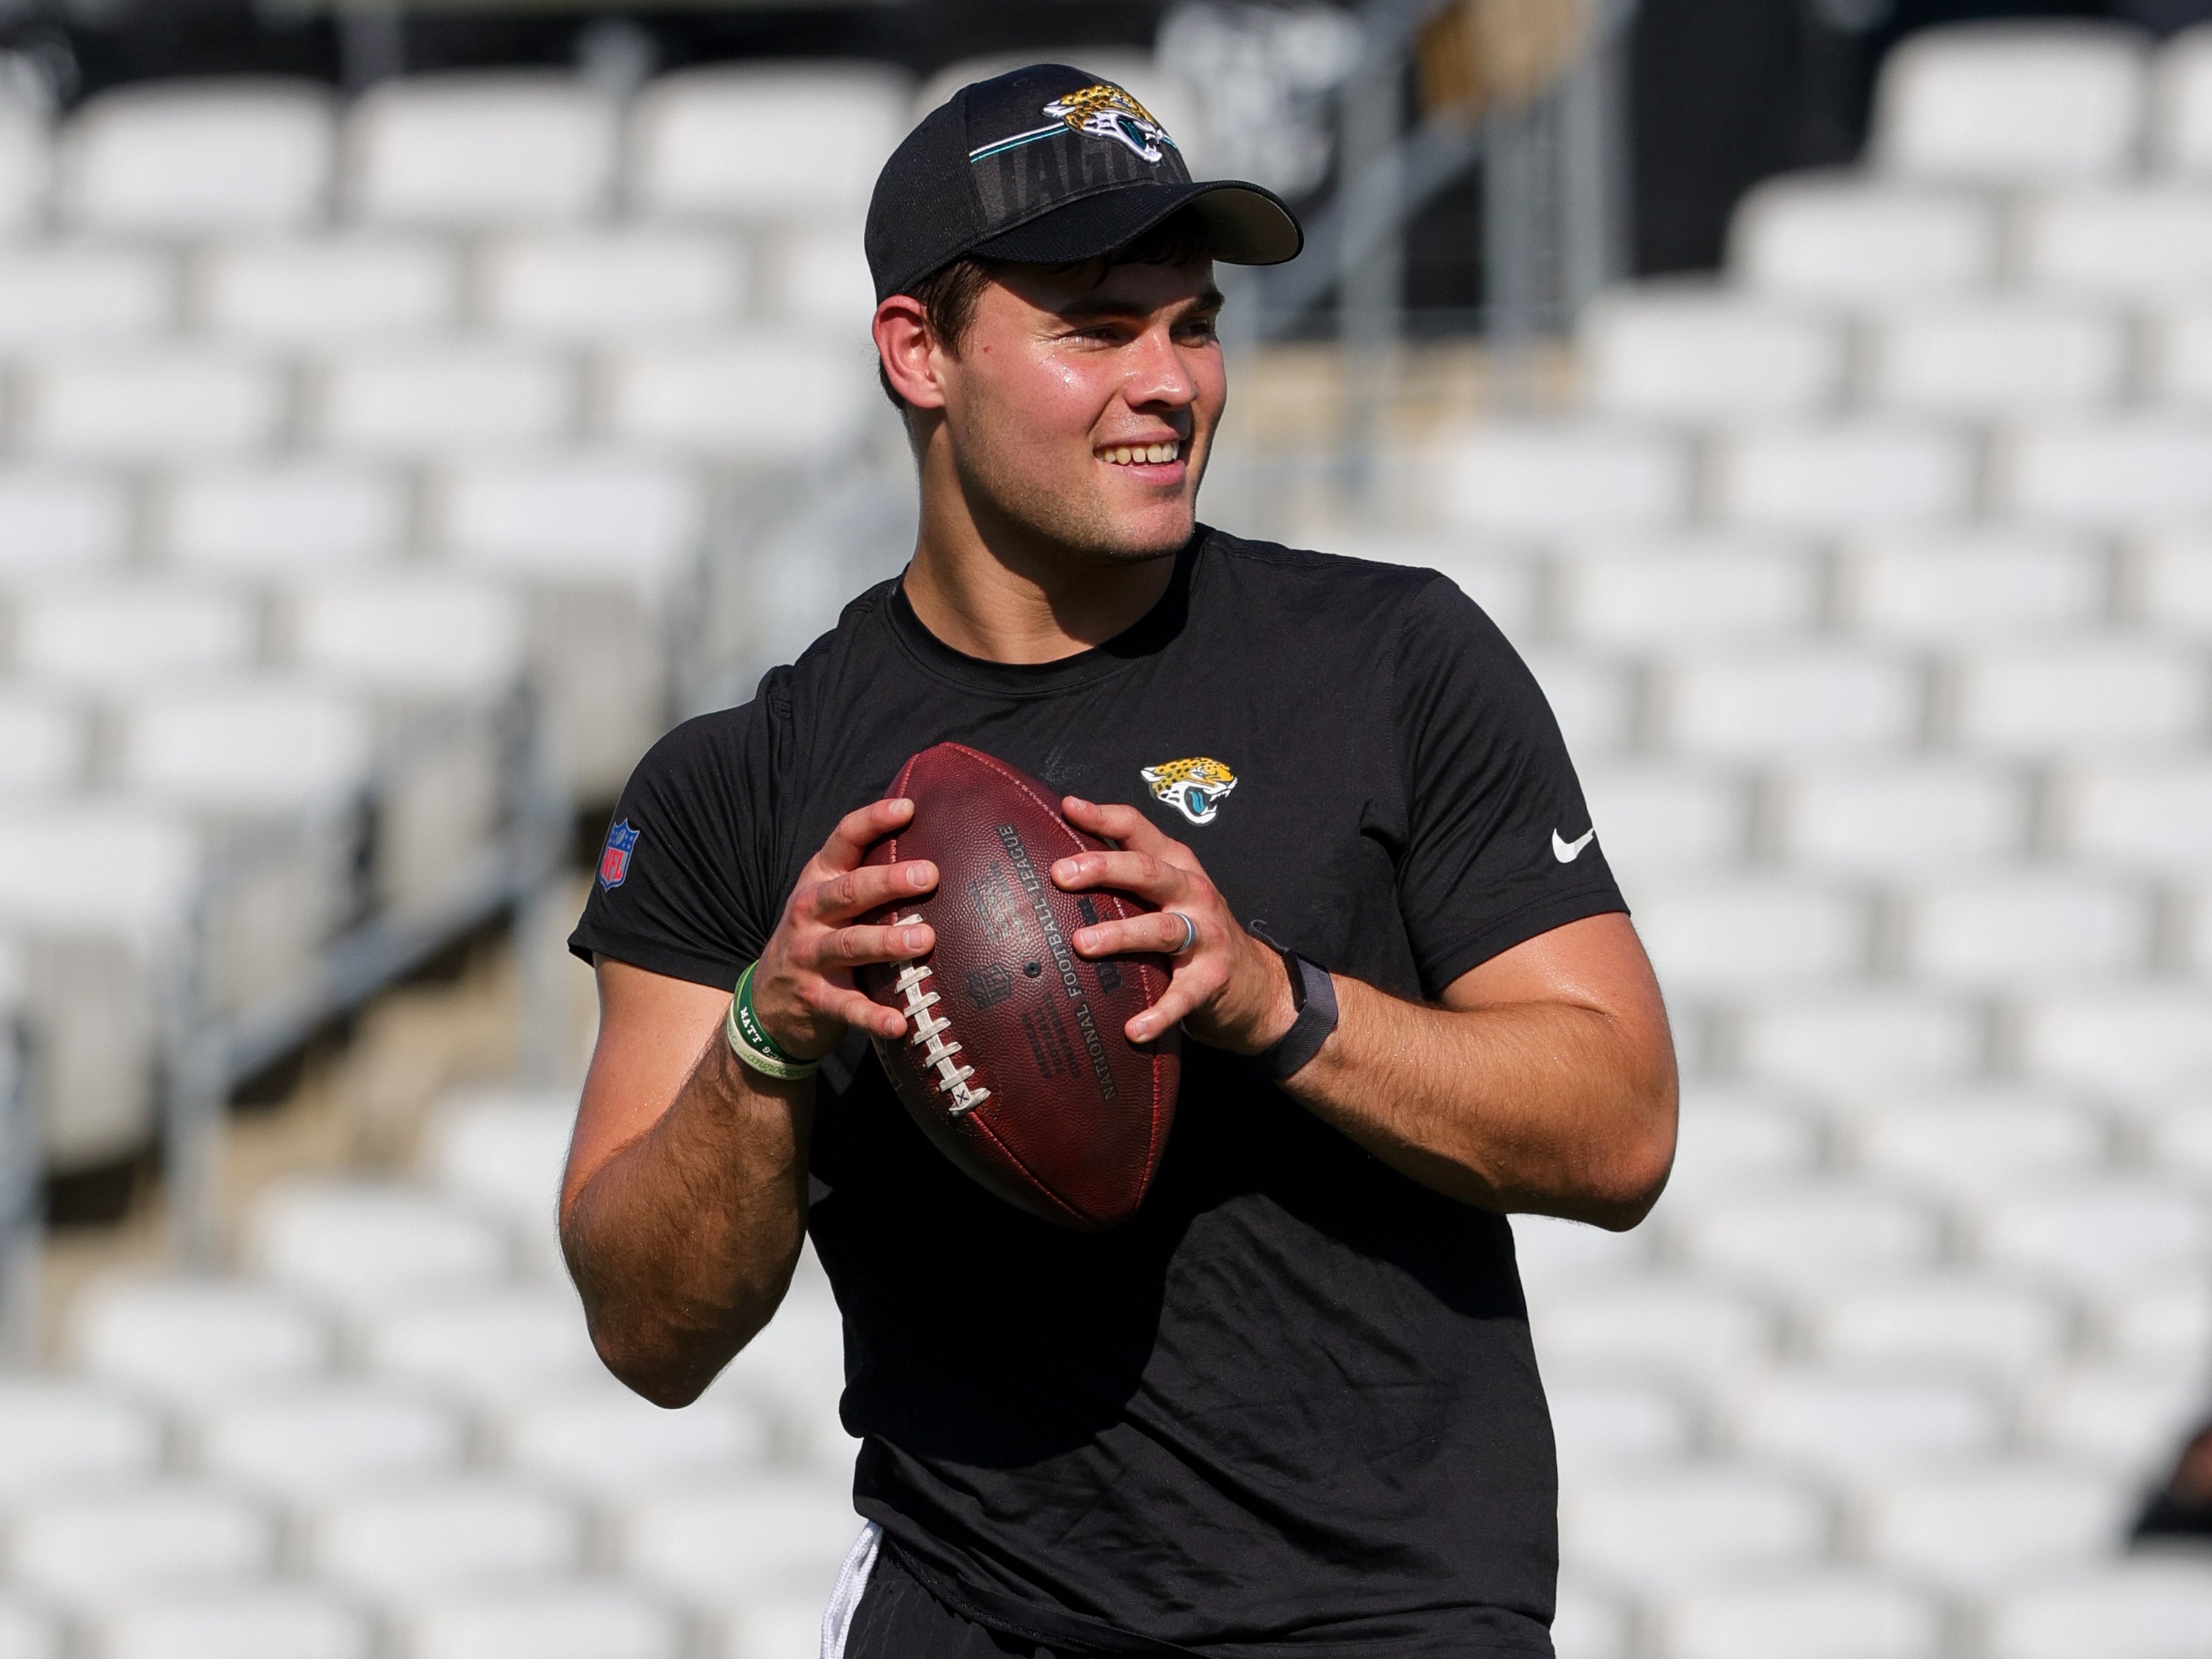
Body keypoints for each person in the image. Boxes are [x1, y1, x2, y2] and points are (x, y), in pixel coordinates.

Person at [560, 62, 1678, 1659]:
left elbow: (1621, 1123)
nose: (1171, 380)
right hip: (972, 1613)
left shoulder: (1393, 659)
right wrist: (765, 1041)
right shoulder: (740, 785)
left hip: (1386, 1622)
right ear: (915, 352)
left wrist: (1270, 1002)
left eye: (1194, 322)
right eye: (1095, 326)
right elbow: (643, 1329)